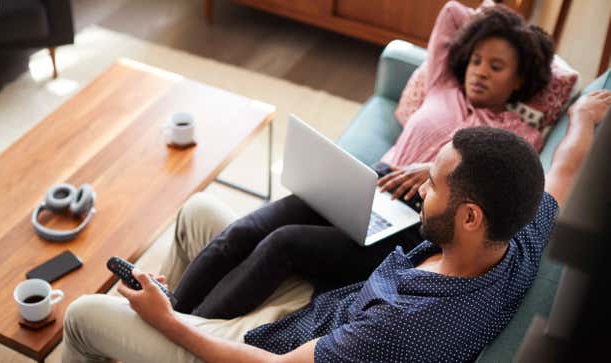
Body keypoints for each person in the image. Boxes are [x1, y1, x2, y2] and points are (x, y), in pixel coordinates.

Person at [62, 91, 611, 363]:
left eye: (436, 183)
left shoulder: (406, 325)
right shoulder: (517, 235)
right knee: (199, 213)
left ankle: (154, 323)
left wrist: (171, 324)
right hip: (320, 307)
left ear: (470, 216)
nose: (420, 188)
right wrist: (584, 118)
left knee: (84, 313)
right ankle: (156, 317)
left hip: (277, 348)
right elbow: (562, 168)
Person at [161, 0, 557, 320]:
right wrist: (498, 16)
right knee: (246, 229)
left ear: (519, 79)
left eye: (497, 66)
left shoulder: (514, 133)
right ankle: (171, 307)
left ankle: (188, 328)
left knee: (283, 243)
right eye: (476, 60)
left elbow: (509, 182)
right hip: (370, 183)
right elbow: (452, 12)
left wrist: (433, 167)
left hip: (418, 222)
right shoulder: (443, 86)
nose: (480, 72)